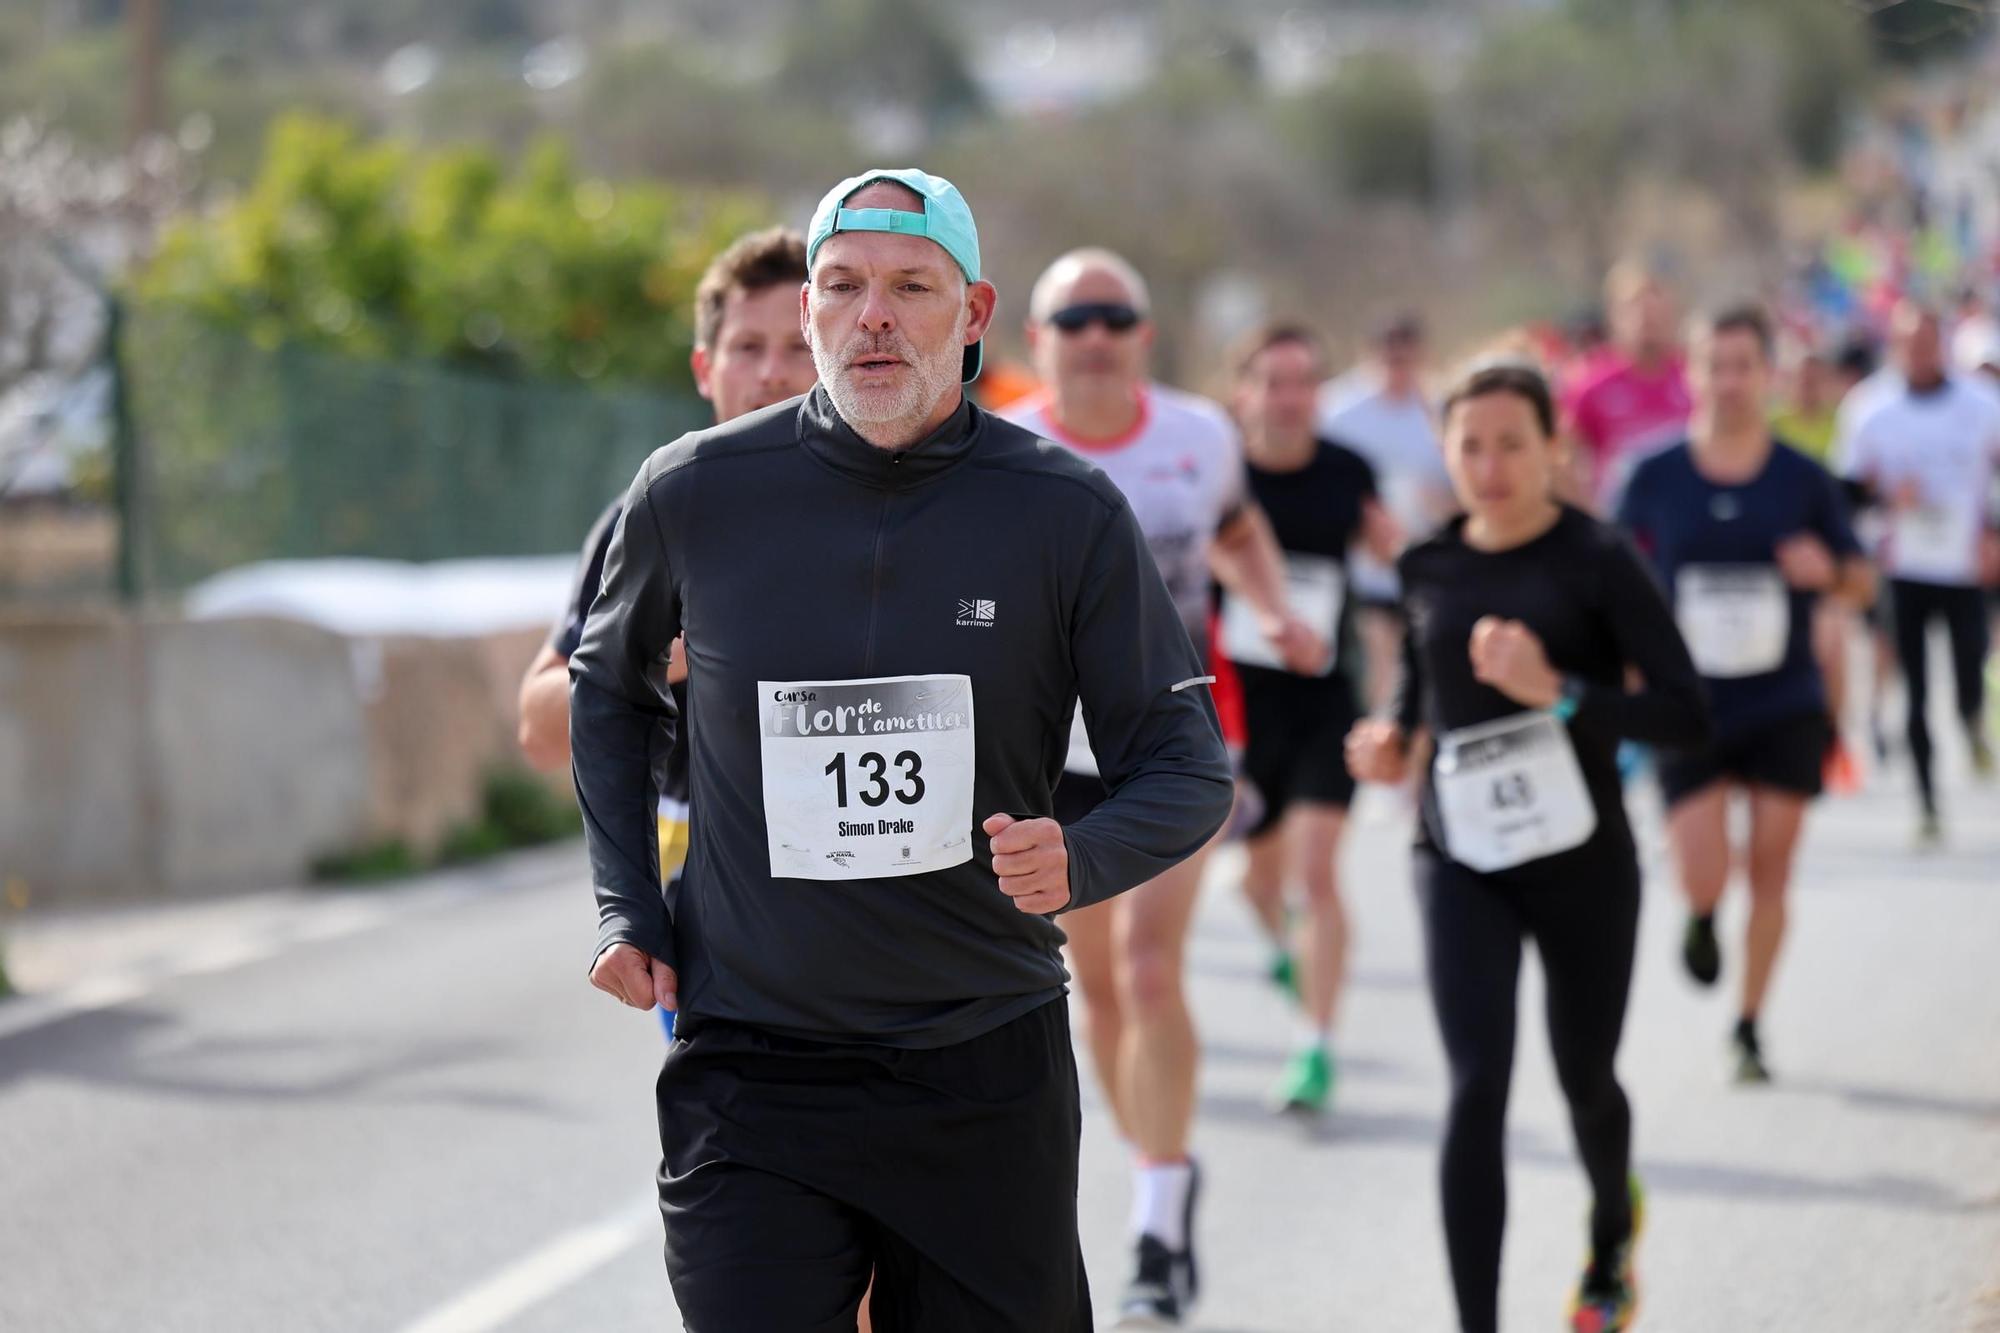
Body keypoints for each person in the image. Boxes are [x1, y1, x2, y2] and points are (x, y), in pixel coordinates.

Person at [568, 168, 1234, 1333]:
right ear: (814, 308)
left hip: (978, 1061)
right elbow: (605, 692)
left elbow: (1185, 764)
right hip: (752, 1063)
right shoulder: (693, 492)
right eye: (843, 286)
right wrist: (629, 904)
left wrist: (1078, 859)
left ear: (973, 315)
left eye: (910, 286)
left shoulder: (1063, 511)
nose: (872, 315)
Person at [1346, 360, 1708, 1333]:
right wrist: (1387, 737)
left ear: (1554, 447)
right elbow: (1419, 697)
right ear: (1445, 452)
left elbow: (1684, 712)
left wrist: (1556, 689)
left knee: (1582, 1074)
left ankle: (1607, 1239)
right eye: (1469, 444)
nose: (1491, 464)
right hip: (1456, 854)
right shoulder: (1427, 564)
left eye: (1512, 442)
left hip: (1581, 857)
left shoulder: (1595, 558)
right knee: (1474, 1087)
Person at [999, 247, 1322, 1327]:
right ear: (1032, 339)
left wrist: (1269, 607)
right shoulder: (1004, 450)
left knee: (1147, 970)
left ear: (1143, 334)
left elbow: (1235, 528)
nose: (1094, 333)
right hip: (1054, 760)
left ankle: (1157, 1217)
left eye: (1114, 315)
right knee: (1089, 989)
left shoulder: (1198, 436)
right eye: (1072, 316)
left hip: (1173, 745)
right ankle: (1156, 1168)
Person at [517, 227, 816, 1034]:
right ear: (703, 368)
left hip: (882, 898)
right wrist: (665, 657)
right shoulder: (651, 518)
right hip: (711, 922)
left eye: (798, 344)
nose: (772, 371)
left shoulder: (909, 504)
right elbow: (541, 727)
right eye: (747, 345)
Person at [1619, 306, 1873, 1084]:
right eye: (1714, 366)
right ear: (1690, 374)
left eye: (1743, 366)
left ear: (1766, 375)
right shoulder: (1653, 475)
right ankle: (1700, 915)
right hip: (1687, 701)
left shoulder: (1804, 478)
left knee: (1772, 867)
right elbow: (1612, 577)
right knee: (1706, 870)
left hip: (1784, 697)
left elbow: (1862, 581)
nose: (1728, 382)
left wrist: (1825, 573)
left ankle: (1749, 1024)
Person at [1226, 322, 1398, 1114]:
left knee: (1316, 871)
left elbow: (1395, 556)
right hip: (1237, 709)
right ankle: (1288, 951)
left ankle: (1315, 1044)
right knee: (1256, 882)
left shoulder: (1347, 470)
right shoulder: (1218, 471)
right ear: (1244, 391)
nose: (1290, 398)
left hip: (1327, 696)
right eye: (1274, 381)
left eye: (1304, 382)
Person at [1836, 301, 2000, 843]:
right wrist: (1884, 495)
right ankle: (1927, 802)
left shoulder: (1982, 405)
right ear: (1895, 346)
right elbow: (1846, 493)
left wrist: (1992, 535)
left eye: (1929, 341)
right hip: (1902, 567)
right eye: (1909, 343)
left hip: (1963, 566)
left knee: (1967, 673)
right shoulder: (1869, 408)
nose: (1920, 353)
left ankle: (1974, 722)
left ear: (1943, 344)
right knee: (1914, 690)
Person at [1319, 311, 1456, 710]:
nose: (1397, 367)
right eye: (1388, 356)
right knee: (1380, 661)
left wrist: (1443, 503)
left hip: (1430, 554)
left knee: (1426, 663)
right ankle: (1379, 738)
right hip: (1366, 564)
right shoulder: (1338, 410)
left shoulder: (1441, 406)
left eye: (1405, 356)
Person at [1560, 261, 1692, 511]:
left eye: (1655, 309)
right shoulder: (1589, 387)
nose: (1646, 319)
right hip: (1621, 529)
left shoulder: (1697, 378)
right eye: (1635, 309)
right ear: (1614, 315)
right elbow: (1565, 460)